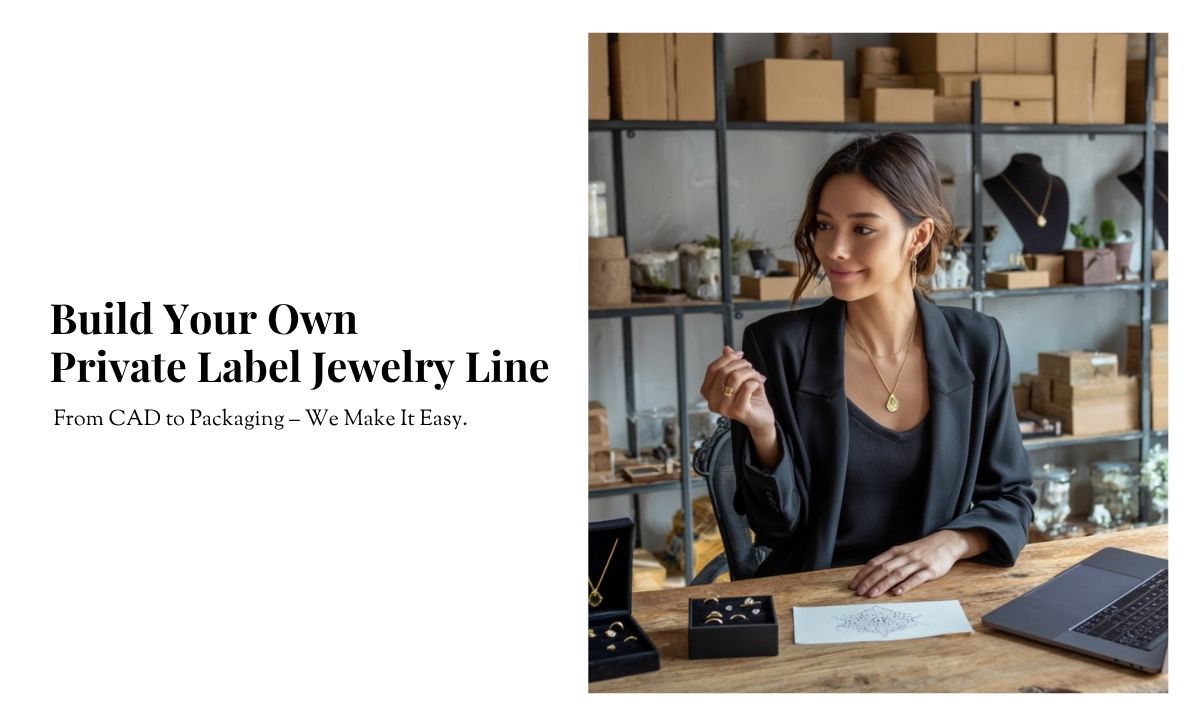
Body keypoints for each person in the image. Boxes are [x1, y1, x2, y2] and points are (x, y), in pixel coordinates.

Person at [700, 132, 1035, 598]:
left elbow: (1012, 497)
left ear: (917, 236)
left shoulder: (979, 343)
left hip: (934, 595)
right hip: (818, 598)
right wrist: (763, 432)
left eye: (862, 229)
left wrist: (949, 544)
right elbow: (777, 529)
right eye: (823, 226)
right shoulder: (776, 346)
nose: (834, 249)